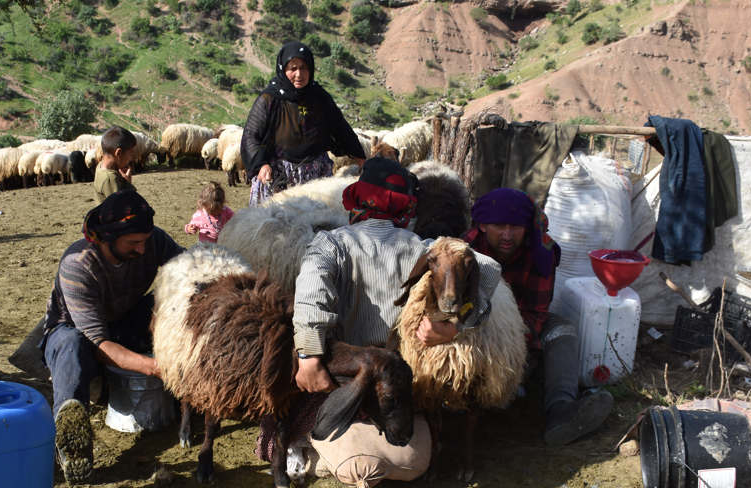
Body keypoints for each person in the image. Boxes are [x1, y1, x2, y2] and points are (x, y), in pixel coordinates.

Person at [254, 158, 502, 463]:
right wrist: (457, 326)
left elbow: (310, 299)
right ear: (406, 208)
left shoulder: (331, 244)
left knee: (285, 407)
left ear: (356, 198)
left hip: (339, 376)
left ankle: (314, 446)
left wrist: (307, 357)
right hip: (397, 381)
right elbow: (489, 268)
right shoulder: (423, 249)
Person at [40, 190, 185, 483]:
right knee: (72, 345)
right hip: (76, 333)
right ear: (106, 237)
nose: (143, 250)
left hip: (125, 319)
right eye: (133, 243)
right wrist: (158, 368)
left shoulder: (152, 239)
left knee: (172, 299)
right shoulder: (77, 265)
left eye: (145, 241)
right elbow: (99, 343)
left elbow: (189, 266)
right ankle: (73, 433)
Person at [460, 187, 613, 446]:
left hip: (519, 327)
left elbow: (536, 310)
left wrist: (515, 344)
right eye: (499, 226)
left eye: (516, 227)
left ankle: (562, 410)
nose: (508, 235)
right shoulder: (465, 250)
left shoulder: (541, 253)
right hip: (475, 326)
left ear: (527, 227)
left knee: (563, 328)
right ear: (484, 225)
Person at [242, 40, 367, 207]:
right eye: (292, 68)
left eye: (304, 68)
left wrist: (361, 158)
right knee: (274, 226)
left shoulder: (319, 97)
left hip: (317, 179)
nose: (299, 74)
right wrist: (261, 165)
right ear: (282, 69)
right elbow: (251, 135)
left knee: (315, 226)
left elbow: (340, 127)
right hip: (279, 177)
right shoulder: (269, 99)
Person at [93, 126, 138, 204]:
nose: (130, 159)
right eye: (130, 154)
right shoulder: (110, 179)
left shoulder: (100, 166)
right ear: (118, 153)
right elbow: (121, 206)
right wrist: (128, 184)